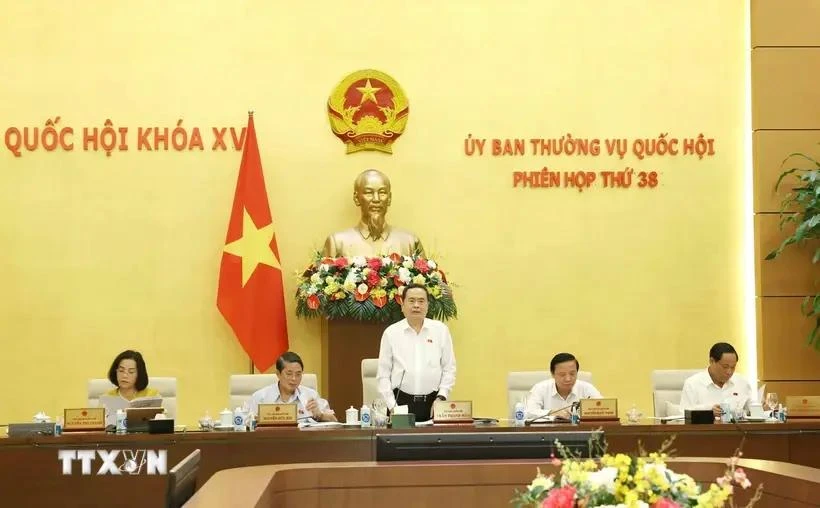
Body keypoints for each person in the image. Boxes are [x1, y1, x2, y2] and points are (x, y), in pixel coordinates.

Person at [376, 284, 456, 422]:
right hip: (400, 403)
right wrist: (392, 406)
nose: (416, 305)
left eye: (421, 301)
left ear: (428, 305)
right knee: (401, 442)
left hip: (433, 403)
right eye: (411, 301)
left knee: (432, 442)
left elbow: (449, 368)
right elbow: (383, 375)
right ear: (402, 305)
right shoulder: (391, 333)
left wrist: (441, 397)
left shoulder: (440, 331)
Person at [322, 169, 425, 258]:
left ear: (389, 198)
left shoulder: (409, 242)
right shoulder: (337, 243)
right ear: (356, 198)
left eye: (382, 192)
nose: (376, 199)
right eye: (368, 192)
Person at [245, 351, 336, 422]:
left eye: (298, 374)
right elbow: (244, 422)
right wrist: (256, 420)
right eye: (289, 374)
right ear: (278, 374)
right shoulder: (261, 397)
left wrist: (320, 415)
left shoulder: (311, 396)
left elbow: (334, 421)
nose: (294, 379)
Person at [680, 342, 754, 418]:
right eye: (725, 367)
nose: (729, 372)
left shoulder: (742, 383)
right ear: (712, 361)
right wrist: (708, 413)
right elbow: (683, 416)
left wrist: (762, 409)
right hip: (706, 429)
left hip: (736, 429)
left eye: (733, 367)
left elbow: (751, 410)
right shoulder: (692, 384)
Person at [524, 353, 602, 420]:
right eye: (562, 374)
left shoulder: (587, 388)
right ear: (552, 374)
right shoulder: (540, 388)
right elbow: (527, 413)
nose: (568, 379)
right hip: (548, 434)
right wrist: (551, 413)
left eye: (572, 374)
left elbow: (604, 410)